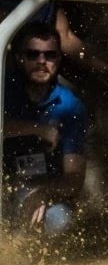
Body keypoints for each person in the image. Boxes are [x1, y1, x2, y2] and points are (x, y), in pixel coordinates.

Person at [2, 21, 88, 236]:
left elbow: (74, 179)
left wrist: (44, 193)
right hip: (5, 186)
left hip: (44, 191)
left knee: (59, 219)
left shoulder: (71, 106)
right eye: (33, 54)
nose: (42, 62)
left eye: (49, 55)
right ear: (20, 58)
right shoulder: (4, 92)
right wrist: (36, 129)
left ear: (58, 59)